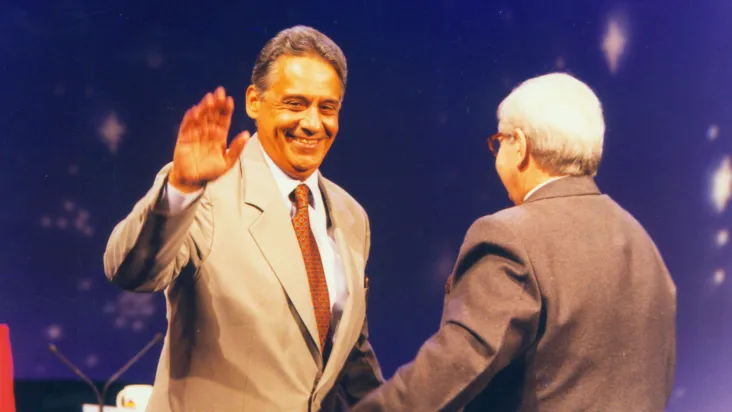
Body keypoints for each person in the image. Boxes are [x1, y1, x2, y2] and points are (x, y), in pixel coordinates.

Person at [352, 73, 677, 411]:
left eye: (499, 141)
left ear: (520, 146)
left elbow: (452, 368)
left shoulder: (511, 238)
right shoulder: (641, 242)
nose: (497, 152)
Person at [104, 25, 383, 412]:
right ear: (254, 101)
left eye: (327, 107)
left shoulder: (352, 216)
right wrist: (181, 189)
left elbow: (349, 355)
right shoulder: (205, 192)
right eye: (295, 104)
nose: (313, 123)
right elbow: (132, 272)